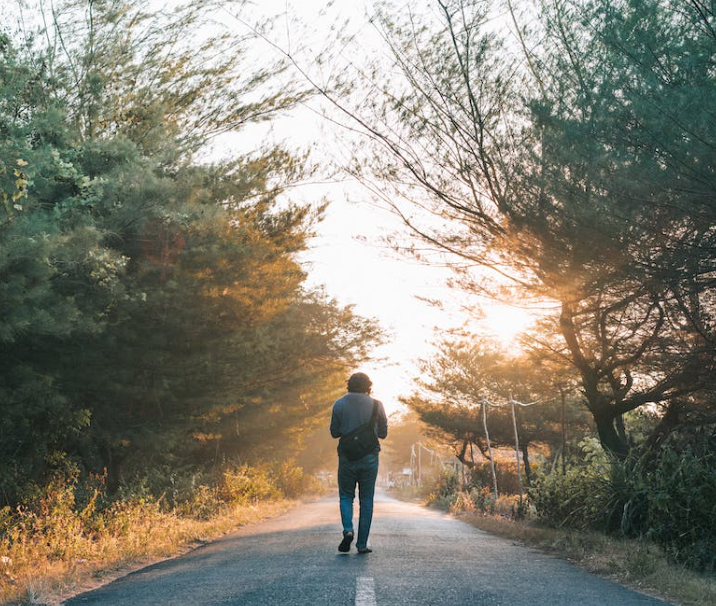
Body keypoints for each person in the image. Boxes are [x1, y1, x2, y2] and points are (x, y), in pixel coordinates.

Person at [330, 372, 388, 554]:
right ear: (368, 386)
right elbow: (383, 434)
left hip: (347, 457)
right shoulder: (377, 405)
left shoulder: (339, 404)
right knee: (366, 499)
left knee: (346, 496)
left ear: (349, 385)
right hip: (369, 457)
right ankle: (362, 544)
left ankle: (348, 529)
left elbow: (334, 433)